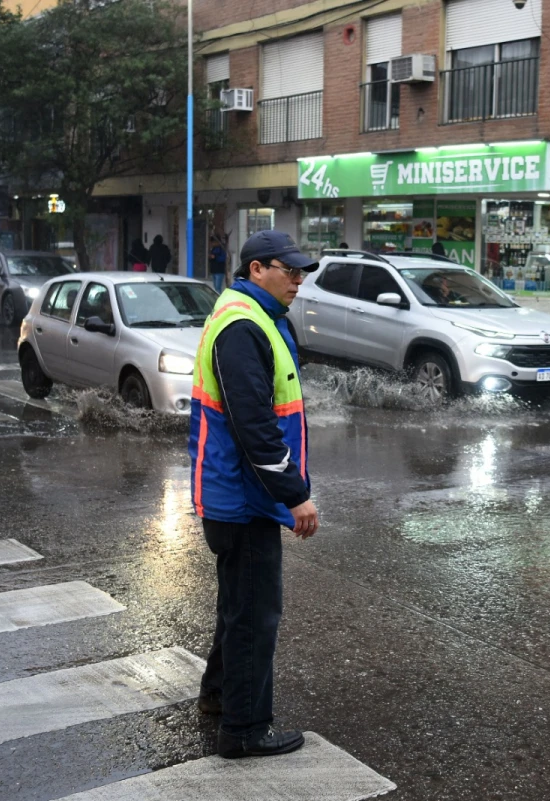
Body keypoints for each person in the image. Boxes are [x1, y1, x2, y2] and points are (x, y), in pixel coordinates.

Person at [189, 229, 320, 760]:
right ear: (258, 268)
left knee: (237, 607)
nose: (299, 281)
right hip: (244, 498)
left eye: (302, 272)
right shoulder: (243, 326)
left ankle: (220, 697)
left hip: (239, 493)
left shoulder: (251, 315)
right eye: (290, 271)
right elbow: (255, 425)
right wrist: (294, 494)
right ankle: (244, 730)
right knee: (255, 614)